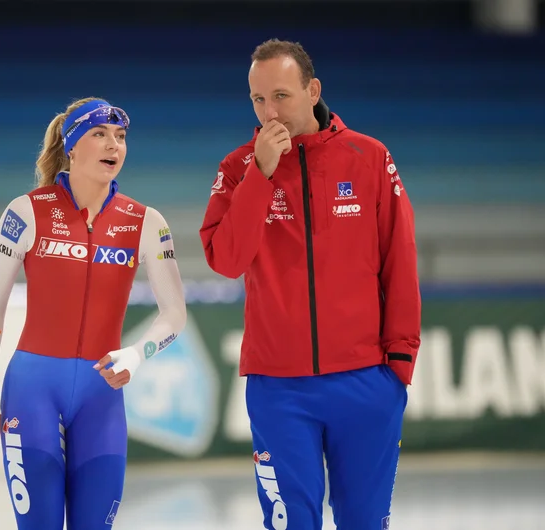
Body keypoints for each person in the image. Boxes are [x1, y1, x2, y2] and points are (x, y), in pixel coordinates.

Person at [200, 39, 421, 530]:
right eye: (258, 99)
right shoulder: (237, 168)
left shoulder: (369, 157)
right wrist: (260, 174)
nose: (269, 112)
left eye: (280, 96)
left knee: (364, 522)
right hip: (279, 388)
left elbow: (400, 260)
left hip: (366, 380)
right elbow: (227, 260)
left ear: (313, 90)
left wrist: (399, 362)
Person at [0, 97, 187, 529]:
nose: (113, 145)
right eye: (99, 134)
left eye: (120, 137)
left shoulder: (146, 222)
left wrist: (138, 352)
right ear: (72, 147)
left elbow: (174, 315)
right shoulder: (26, 211)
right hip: (33, 390)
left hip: (101, 395)